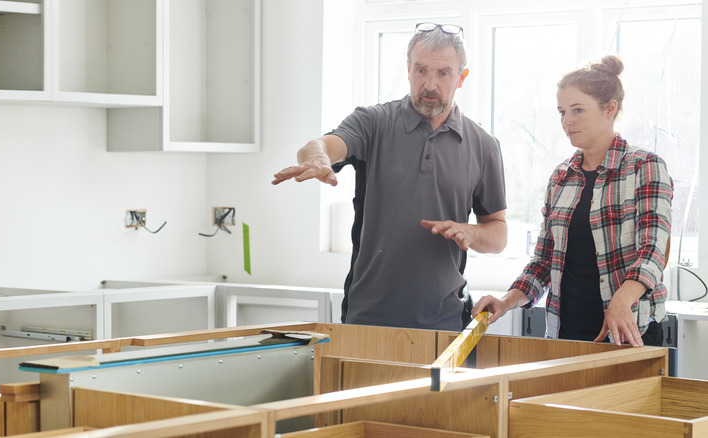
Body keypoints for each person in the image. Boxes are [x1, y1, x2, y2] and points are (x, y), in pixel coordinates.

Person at [272, 23, 507, 331]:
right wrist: (317, 156)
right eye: (421, 70)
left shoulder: (483, 145)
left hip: (446, 322)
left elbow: (498, 234)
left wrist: (470, 233)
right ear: (408, 69)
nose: (430, 84)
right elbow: (322, 145)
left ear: (461, 77)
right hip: (367, 318)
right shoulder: (373, 123)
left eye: (443, 73)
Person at [472, 55, 673, 347]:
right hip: (566, 332)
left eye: (577, 110)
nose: (567, 121)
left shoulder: (645, 167)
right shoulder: (561, 177)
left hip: (630, 331)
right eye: (562, 111)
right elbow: (542, 263)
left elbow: (653, 250)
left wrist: (621, 299)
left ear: (609, 109)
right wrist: (505, 302)